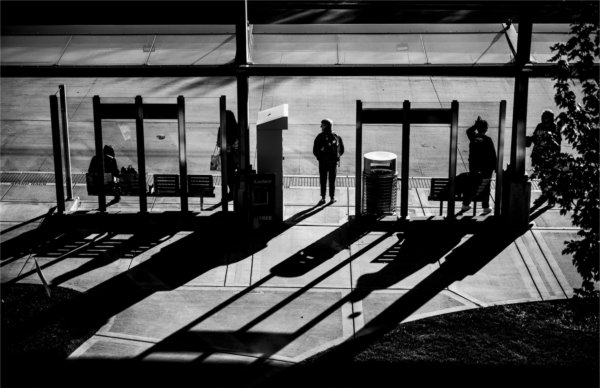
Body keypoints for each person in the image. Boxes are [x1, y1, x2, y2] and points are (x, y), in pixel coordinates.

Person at [459, 116, 497, 214]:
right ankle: (485, 206)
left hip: (474, 167)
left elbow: (468, 131)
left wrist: (475, 125)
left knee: (471, 185)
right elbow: (493, 155)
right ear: (486, 129)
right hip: (486, 168)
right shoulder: (488, 140)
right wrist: (495, 167)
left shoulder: (474, 138)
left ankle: (466, 204)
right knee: (485, 186)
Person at [526, 110, 561, 207]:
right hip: (538, 155)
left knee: (550, 179)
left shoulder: (554, 128)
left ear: (549, 118)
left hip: (549, 158)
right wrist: (528, 139)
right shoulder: (540, 126)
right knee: (542, 178)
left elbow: (557, 144)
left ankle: (551, 199)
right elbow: (535, 137)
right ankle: (544, 195)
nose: (542, 118)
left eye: (544, 116)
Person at [313, 118, 344, 204]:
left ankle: (323, 198)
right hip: (333, 163)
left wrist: (320, 158)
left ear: (326, 126)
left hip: (322, 163)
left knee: (323, 180)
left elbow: (315, 150)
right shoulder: (337, 136)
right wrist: (335, 158)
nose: (321, 127)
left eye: (322, 125)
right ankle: (332, 198)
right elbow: (341, 150)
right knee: (332, 180)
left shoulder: (319, 137)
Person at [216, 110, 240, 200]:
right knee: (236, 174)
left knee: (227, 175)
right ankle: (236, 191)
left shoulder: (221, 128)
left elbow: (219, 143)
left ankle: (231, 192)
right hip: (236, 156)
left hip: (226, 156)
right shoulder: (237, 128)